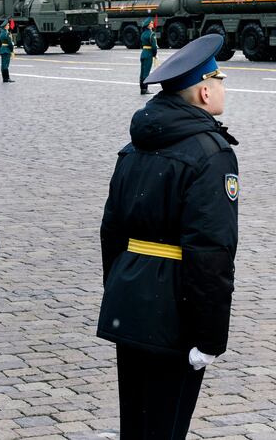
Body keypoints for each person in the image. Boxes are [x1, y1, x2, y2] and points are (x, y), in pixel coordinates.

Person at [97, 34, 238, 438]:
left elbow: (111, 230)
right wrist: (210, 335)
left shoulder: (134, 147)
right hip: (175, 308)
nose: (224, 88)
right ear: (204, 90)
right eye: (221, 79)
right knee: (167, 427)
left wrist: (121, 287)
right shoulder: (211, 153)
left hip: (132, 297)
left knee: (136, 424)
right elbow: (211, 250)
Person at [139, 17, 157, 95]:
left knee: (142, 72)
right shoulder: (151, 34)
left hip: (143, 53)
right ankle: (145, 89)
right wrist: (154, 54)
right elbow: (154, 46)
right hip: (149, 54)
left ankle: (142, 88)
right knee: (146, 72)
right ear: (148, 25)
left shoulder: (143, 34)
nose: (153, 24)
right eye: (151, 23)